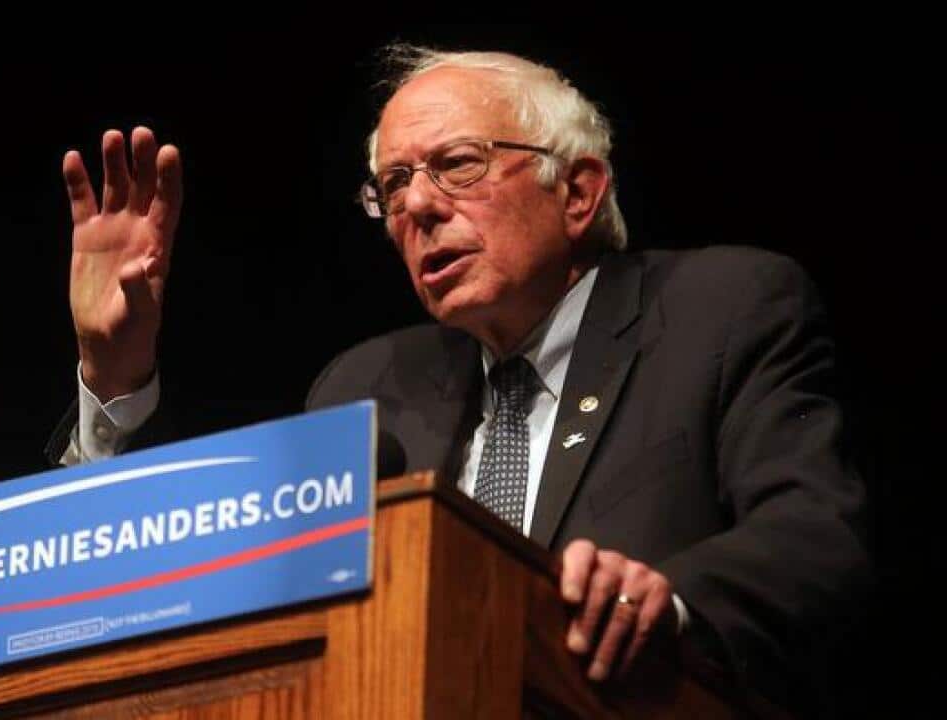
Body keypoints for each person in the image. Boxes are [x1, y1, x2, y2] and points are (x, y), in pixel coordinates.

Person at [45, 46, 870, 715]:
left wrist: (670, 601)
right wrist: (113, 375)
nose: (421, 208)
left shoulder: (718, 311)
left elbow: (816, 536)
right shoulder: (368, 385)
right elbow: (215, 579)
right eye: (395, 185)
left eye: (458, 165)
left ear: (578, 192)